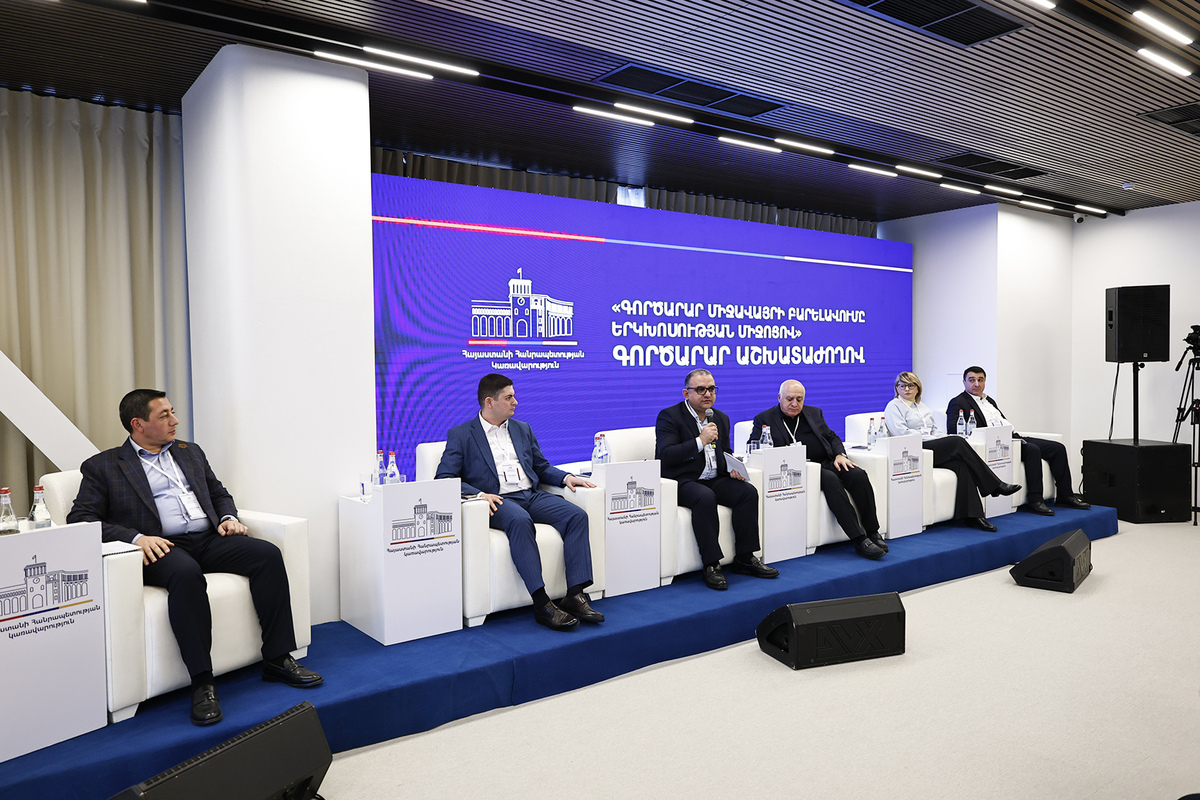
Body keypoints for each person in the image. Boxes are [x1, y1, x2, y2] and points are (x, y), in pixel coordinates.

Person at [67, 390, 322, 727]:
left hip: (208, 538)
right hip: (161, 546)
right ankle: (202, 683)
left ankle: (277, 658)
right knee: (186, 575)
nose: (174, 421)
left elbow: (218, 493)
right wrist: (136, 538)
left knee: (267, 554)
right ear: (138, 424)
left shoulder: (190, 452)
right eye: (164, 416)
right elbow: (81, 519)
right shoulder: (104, 466)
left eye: (172, 412)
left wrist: (228, 517)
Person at [435, 373, 602, 631]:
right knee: (520, 521)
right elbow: (445, 477)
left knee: (576, 515)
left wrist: (566, 477)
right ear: (489, 402)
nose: (516, 402)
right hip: (497, 500)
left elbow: (540, 466)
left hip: (530, 495)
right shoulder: (462, 434)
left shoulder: (522, 428)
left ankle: (575, 594)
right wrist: (479, 495)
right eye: (509, 397)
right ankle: (542, 604)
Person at [655, 369, 779, 590]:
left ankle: (745, 557)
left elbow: (725, 452)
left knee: (747, 492)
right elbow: (666, 455)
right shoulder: (669, 416)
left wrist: (732, 468)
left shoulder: (720, 418)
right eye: (701, 389)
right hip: (682, 480)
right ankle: (711, 564)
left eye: (711, 389)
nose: (707, 394)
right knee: (705, 497)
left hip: (714, 477)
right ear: (686, 393)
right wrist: (700, 441)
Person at [750, 379, 887, 559]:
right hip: (798, 470)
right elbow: (754, 448)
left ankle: (873, 531)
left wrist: (840, 455)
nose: (794, 404)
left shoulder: (814, 413)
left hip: (825, 461)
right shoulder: (764, 419)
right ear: (779, 397)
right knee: (830, 479)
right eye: (789, 399)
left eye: (799, 399)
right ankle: (859, 539)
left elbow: (832, 437)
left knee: (857, 474)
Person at [884, 372, 1021, 531]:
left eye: (910, 385)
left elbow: (935, 429)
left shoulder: (922, 407)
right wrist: (933, 437)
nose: (906, 389)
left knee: (961, 465)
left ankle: (973, 516)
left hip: (932, 445)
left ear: (918, 388)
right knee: (957, 441)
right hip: (913, 449)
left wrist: (942, 437)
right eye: (902, 386)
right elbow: (901, 433)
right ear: (896, 388)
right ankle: (995, 485)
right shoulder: (893, 406)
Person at [946, 366, 1091, 515]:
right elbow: (952, 431)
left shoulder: (989, 401)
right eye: (972, 380)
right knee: (1032, 450)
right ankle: (1035, 501)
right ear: (964, 382)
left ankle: (1065, 495)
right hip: (993, 443)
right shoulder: (958, 402)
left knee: (1058, 448)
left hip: (1012, 436)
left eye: (980, 380)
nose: (976, 384)